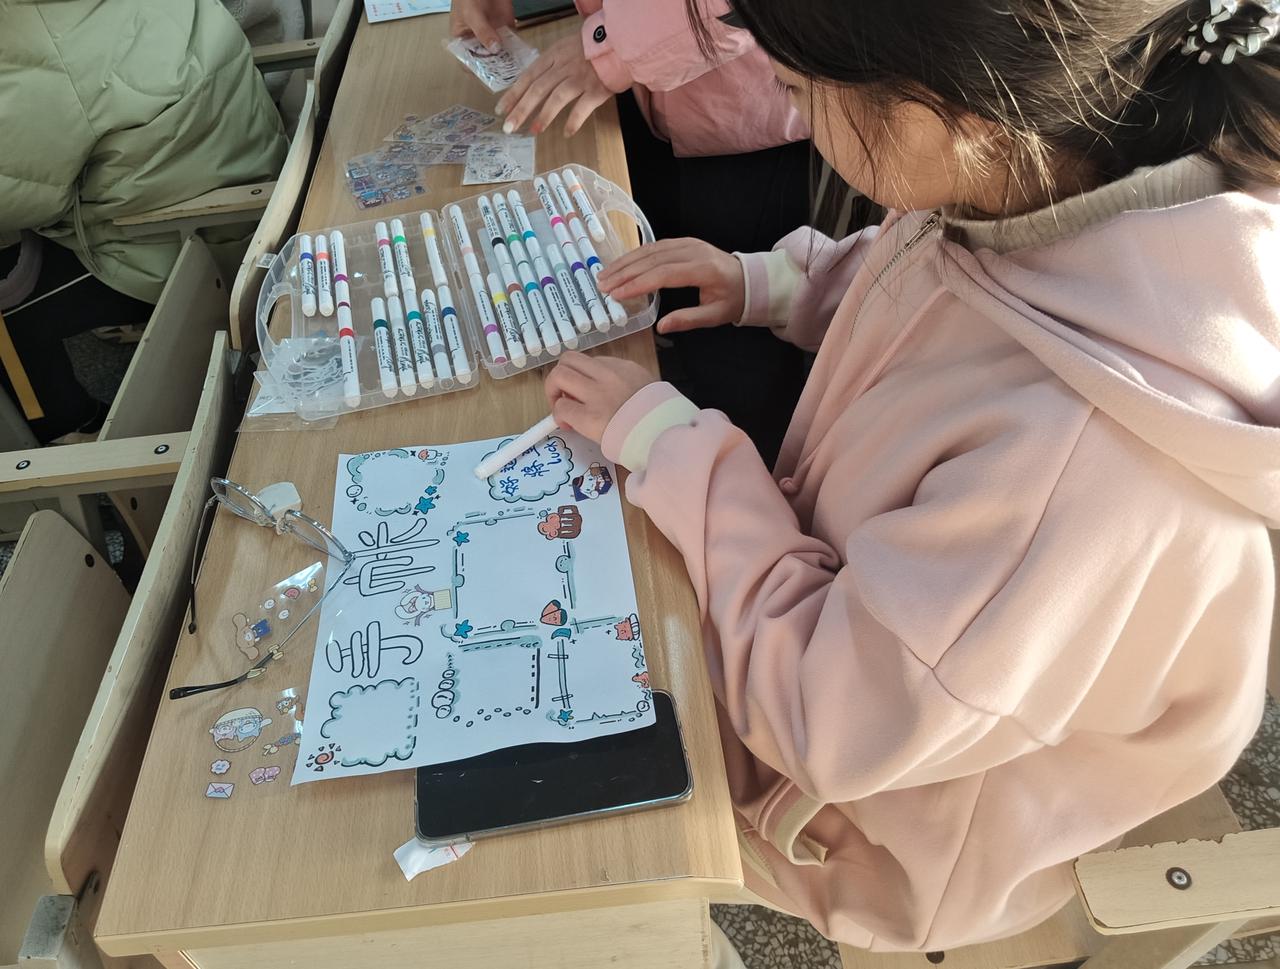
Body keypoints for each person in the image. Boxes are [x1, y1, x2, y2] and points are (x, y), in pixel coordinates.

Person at [543, 0, 1280, 956]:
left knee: (560, 861)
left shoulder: (1072, 468)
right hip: (862, 659)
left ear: (965, 114)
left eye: (798, 87)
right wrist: (771, 283)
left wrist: (675, 446)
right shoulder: (1055, 179)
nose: (791, 106)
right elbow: (931, 272)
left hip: (870, 832)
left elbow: (827, 719)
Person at [451, 0, 812, 465]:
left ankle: (745, 452)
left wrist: (613, 46)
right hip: (648, 90)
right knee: (661, 292)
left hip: (739, 116)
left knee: (732, 352)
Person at [0, 0, 287, 443]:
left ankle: (75, 429)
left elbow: (21, 200)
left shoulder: (33, 42)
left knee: (8, 313)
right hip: (249, 184)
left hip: (186, 244)